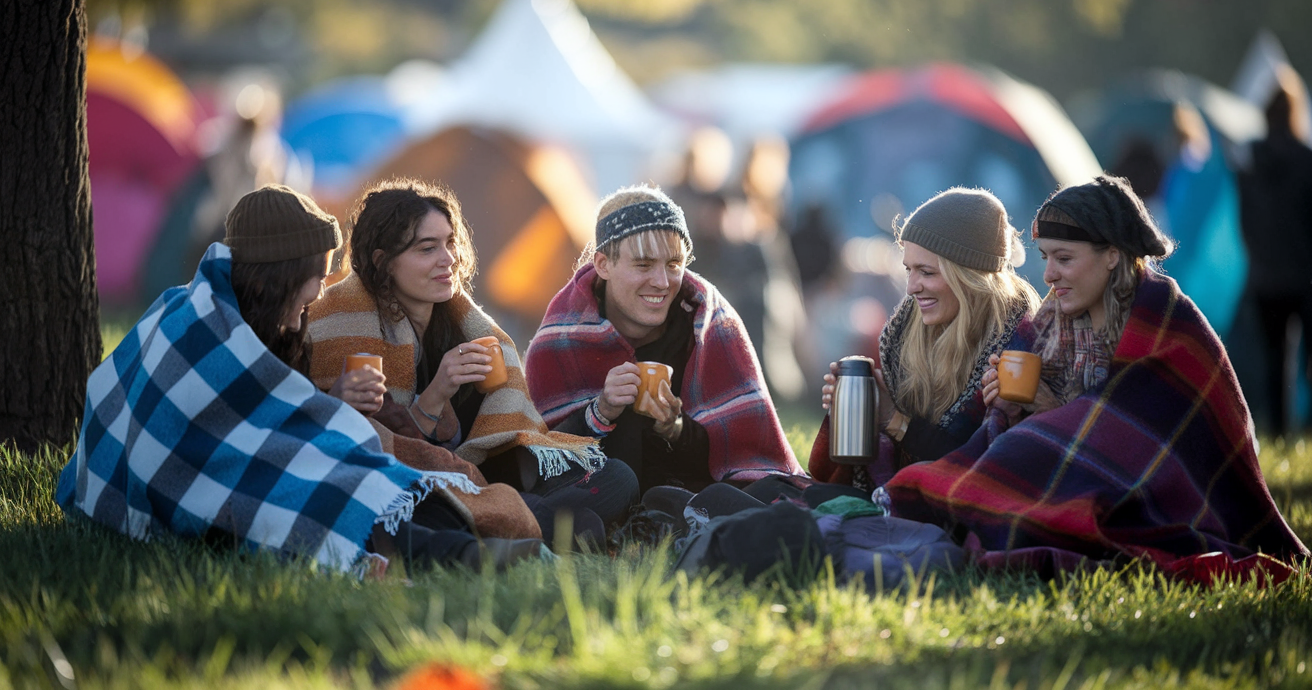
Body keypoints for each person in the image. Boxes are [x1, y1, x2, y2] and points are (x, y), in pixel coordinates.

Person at [57, 185, 542, 574]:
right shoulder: (199, 323)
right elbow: (218, 426)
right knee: (328, 487)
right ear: (280, 278)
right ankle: (455, 552)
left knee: (356, 470)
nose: (309, 307)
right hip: (172, 482)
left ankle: (463, 540)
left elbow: (274, 414)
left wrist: (333, 403)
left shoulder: (255, 319)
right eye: (310, 287)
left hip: (228, 470)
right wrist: (337, 411)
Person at [888, 175, 1308, 573]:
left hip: (1164, 500)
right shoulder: (1052, 323)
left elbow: (1137, 441)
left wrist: (1052, 419)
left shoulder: (1169, 326)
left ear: (1111, 255)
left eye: (1064, 259)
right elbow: (1060, 437)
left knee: (1022, 472)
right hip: (1083, 487)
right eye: (1045, 258)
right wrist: (1014, 412)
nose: (1048, 275)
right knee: (1015, 462)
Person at [307, 179, 639, 545]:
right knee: (575, 517)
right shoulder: (343, 327)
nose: (448, 259)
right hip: (417, 489)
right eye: (427, 248)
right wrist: (437, 393)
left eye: (449, 243)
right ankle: (527, 526)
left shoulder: (463, 327)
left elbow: (499, 443)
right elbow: (383, 451)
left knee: (618, 478)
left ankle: (527, 525)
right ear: (382, 261)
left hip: (479, 477)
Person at [524, 184, 805, 497]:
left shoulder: (708, 325)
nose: (661, 282)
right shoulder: (561, 340)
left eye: (673, 265)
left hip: (687, 495)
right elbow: (536, 462)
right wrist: (600, 411)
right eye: (643, 265)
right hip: (601, 494)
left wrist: (676, 427)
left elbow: (738, 455)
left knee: (764, 495)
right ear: (603, 265)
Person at [808, 188, 1040, 493]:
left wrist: (893, 418)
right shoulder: (906, 331)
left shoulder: (1020, 345)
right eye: (909, 270)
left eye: (926, 272)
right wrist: (861, 406)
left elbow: (980, 473)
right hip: (899, 494)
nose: (911, 288)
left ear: (970, 277)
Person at [1238, 66, 1312, 436]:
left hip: (1265, 276)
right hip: (1304, 275)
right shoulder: (1307, 160)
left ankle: (1281, 432)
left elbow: (1246, 222)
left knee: (1275, 362)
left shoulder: (1249, 161)